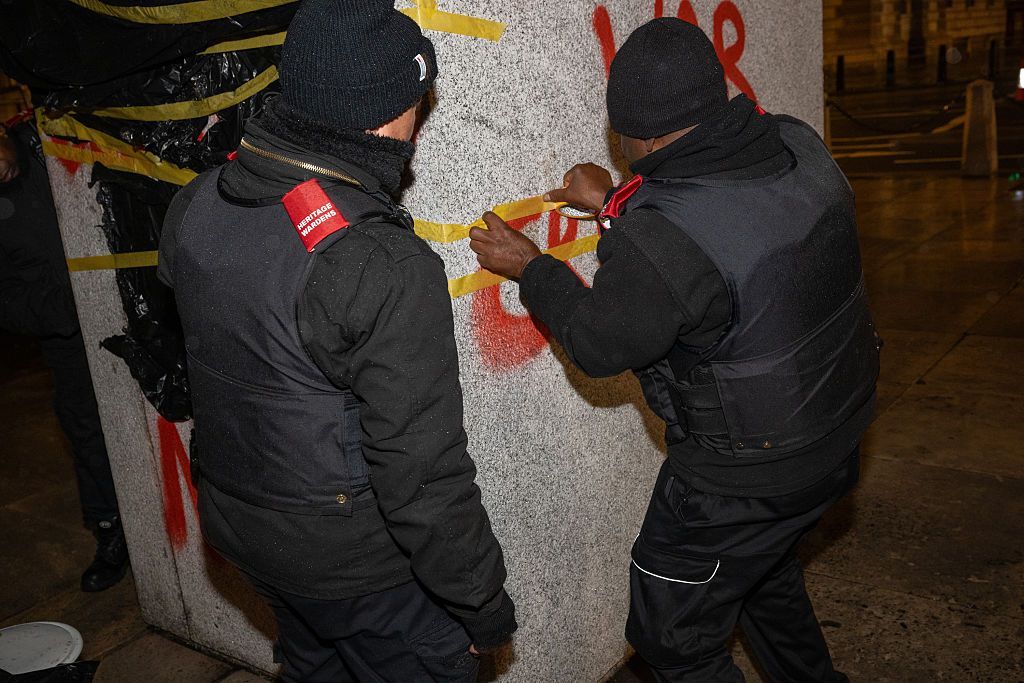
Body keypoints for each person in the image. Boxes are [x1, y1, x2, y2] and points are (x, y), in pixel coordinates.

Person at [470, 18, 879, 683]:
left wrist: (531, 266)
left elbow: (602, 339)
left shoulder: (662, 245)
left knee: (672, 636)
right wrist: (611, 203)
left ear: (648, 137)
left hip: (740, 479)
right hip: (833, 438)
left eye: (623, 133)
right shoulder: (797, 145)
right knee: (764, 577)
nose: (621, 144)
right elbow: (730, 230)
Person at [157, 1, 516, 680]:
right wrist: (480, 602)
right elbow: (422, 474)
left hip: (246, 531)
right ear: (389, 114)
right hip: (356, 565)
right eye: (418, 102)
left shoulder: (197, 203)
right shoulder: (381, 261)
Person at [0, 115, 129, 593]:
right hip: (65, 332)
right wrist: (61, 307)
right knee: (84, 425)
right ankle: (111, 530)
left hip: (132, 303)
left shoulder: (52, 137)